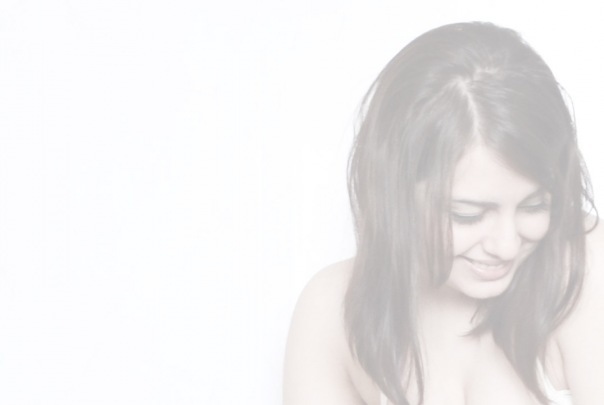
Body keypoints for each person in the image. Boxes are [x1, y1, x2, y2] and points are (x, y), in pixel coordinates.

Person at [283, 22, 604, 405]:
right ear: (395, 192)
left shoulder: (584, 265)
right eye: (468, 215)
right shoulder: (334, 310)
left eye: (534, 206)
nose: (506, 245)